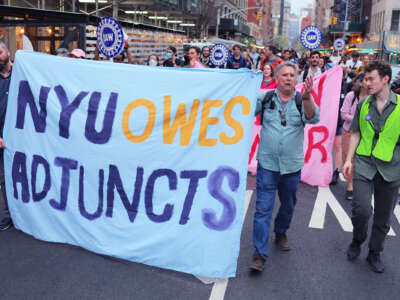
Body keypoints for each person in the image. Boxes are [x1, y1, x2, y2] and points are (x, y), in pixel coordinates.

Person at [250, 62, 320, 272]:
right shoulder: (265, 98)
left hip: (291, 167)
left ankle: (281, 231)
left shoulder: (301, 100)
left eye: (292, 75)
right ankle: (259, 254)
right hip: (268, 165)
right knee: (262, 210)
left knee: (288, 205)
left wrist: (307, 96)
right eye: (284, 75)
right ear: (277, 79)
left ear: (297, 79)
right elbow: (242, 111)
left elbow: (313, 118)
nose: (289, 78)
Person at [343, 61, 400, 273]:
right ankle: (357, 240)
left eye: (371, 79)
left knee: (384, 218)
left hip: (391, 167)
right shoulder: (363, 104)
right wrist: (348, 159)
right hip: (364, 164)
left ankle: (375, 252)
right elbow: (356, 133)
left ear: (385, 79)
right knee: (361, 210)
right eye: (365, 79)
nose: (366, 83)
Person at [341, 73, 368, 200]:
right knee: (348, 158)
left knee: (362, 160)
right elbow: (343, 114)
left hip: (366, 134)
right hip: (349, 131)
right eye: (366, 80)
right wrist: (359, 119)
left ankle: (361, 184)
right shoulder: (351, 96)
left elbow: (373, 117)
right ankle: (350, 185)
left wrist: (366, 120)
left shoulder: (373, 98)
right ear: (360, 83)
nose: (369, 83)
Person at [0, 41, 12, 230]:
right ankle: (11, 214)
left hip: (25, 137)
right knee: (4, 179)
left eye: (0, 52)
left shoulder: (25, 73)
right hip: (2, 139)